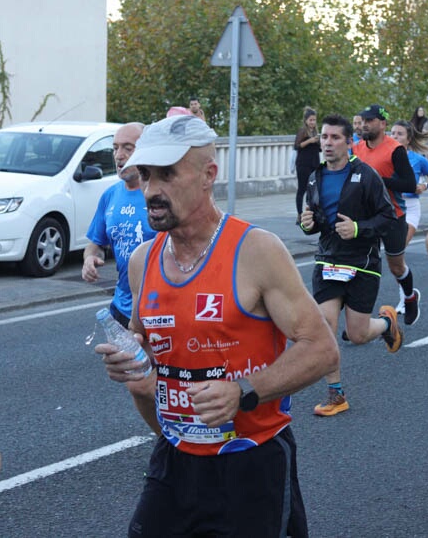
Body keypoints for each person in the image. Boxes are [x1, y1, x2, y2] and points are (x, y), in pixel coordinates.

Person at [97, 114, 339, 537]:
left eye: (167, 175)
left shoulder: (256, 251)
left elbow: (320, 349)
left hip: (251, 463)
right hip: (174, 460)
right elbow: (147, 353)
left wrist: (244, 393)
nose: (152, 190)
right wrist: (130, 360)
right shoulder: (142, 262)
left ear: (208, 175)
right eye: (147, 175)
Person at [300, 114, 404, 416]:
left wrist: (358, 229)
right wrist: (307, 224)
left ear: (349, 142)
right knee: (325, 326)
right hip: (329, 260)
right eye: (324, 137)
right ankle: (336, 395)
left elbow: (387, 217)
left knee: (357, 334)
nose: (327, 143)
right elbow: (315, 220)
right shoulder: (314, 177)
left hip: (362, 262)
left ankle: (387, 323)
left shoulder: (367, 175)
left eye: (334, 138)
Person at [353, 104, 422, 325]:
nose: (364, 125)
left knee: (396, 266)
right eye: (363, 120)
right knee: (363, 266)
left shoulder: (395, 149)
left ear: (382, 124)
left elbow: (410, 184)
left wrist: (379, 182)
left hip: (393, 215)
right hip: (366, 217)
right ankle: (360, 321)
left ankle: (410, 297)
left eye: (370, 121)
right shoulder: (356, 149)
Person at [81, 122, 155, 326]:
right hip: (122, 307)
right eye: (115, 148)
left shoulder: (160, 195)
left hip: (157, 311)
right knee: (117, 359)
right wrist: (89, 260)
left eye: (128, 148)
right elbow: (95, 245)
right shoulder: (110, 196)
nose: (118, 155)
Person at [390, 120, 428, 246]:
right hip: (390, 205)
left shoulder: (418, 159)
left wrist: (424, 186)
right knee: (390, 249)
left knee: (400, 245)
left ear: (408, 139)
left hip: (410, 206)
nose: (395, 136)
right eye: (393, 133)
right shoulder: (384, 158)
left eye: (400, 134)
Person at [293, 107, 321, 222]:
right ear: (306, 121)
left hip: (314, 163)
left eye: (314, 120)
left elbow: (319, 149)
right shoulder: (302, 132)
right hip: (303, 164)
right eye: (310, 120)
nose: (312, 123)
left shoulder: (316, 132)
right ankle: (299, 214)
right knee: (302, 189)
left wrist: (319, 141)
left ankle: (311, 212)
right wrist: (310, 141)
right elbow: (297, 146)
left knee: (314, 188)